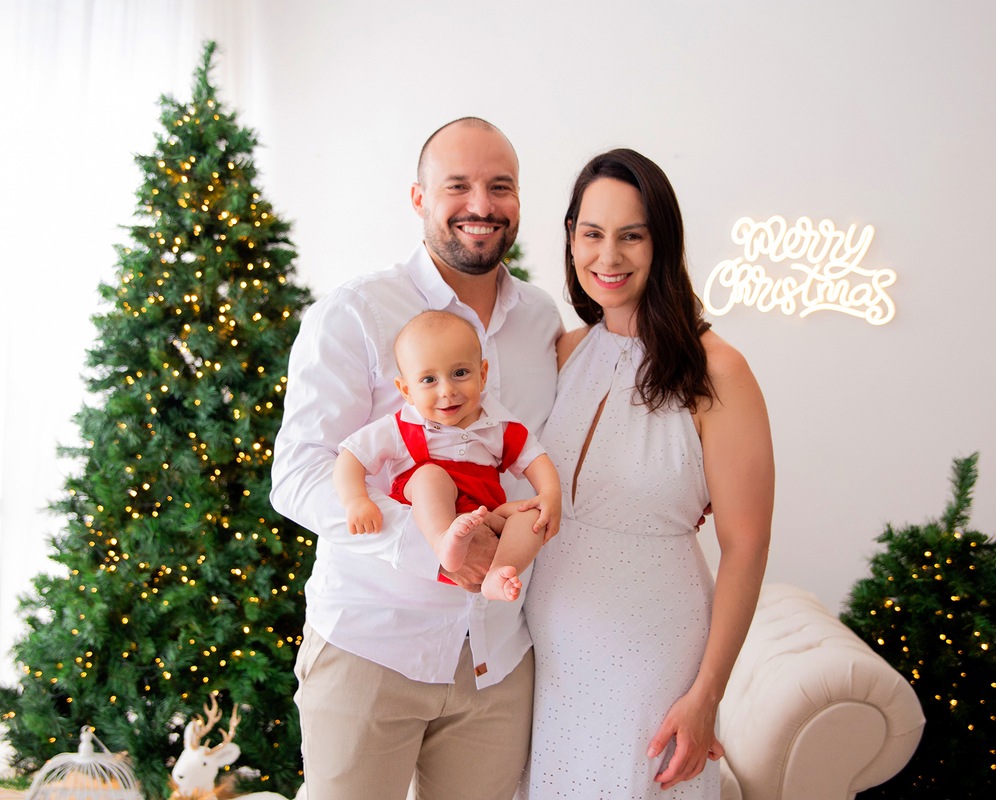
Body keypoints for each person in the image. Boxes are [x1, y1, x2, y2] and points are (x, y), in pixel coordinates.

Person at [269, 118, 563, 800]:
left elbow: (540, 449)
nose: (481, 205)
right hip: (372, 646)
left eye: (501, 186)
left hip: (495, 661)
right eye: (457, 185)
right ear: (418, 198)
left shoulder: (542, 320)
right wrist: (433, 545)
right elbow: (300, 473)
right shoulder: (356, 312)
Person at [522, 149, 774, 798]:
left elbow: (745, 545)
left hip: (652, 656)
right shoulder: (566, 351)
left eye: (632, 235)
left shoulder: (719, 371)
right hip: (546, 661)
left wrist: (706, 694)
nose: (609, 257)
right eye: (592, 234)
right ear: (571, 239)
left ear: (663, 242)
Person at [333, 310, 562, 602]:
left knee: (531, 516)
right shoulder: (403, 427)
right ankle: (443, 541)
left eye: (460, 373)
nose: (447, 390)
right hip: (434, 519)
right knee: (430, 475)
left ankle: (500, 570)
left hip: (485, 517)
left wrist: (551, 494)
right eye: (428, 379)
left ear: (482, 375)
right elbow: (351, 457)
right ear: (406, 390)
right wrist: (356, 500)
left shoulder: (496, 425)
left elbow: (535, 458)